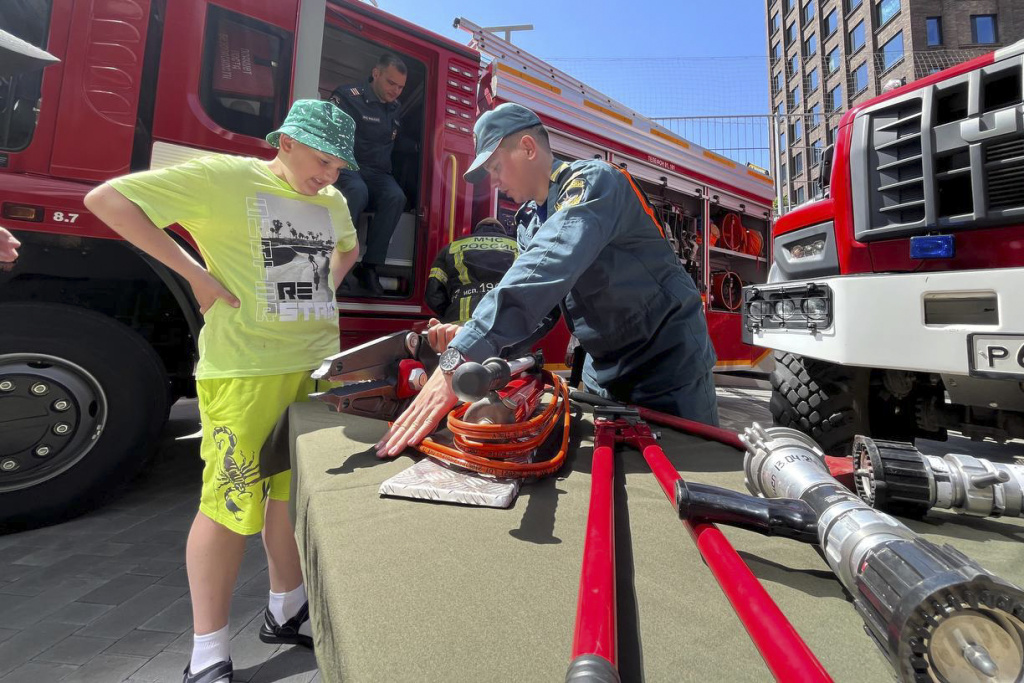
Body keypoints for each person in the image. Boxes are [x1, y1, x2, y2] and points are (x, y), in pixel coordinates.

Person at [84, 100, 360, 683]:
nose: (330, 175)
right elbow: (108, 200)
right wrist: (197, 276)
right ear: (286, 142)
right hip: (244, 369)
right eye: (322, 160)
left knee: (289, 494)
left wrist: (322, 291)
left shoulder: (332, 201)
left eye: (339, 166)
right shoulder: (225, 178)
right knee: (231, 503)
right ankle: (208, 651)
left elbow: (348, 249)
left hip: (314, 367)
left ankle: (286, 610)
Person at [376, 103, 719, 458]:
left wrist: (463, 353)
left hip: (667, 364)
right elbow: (541, 305)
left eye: (496, 167)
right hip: (605, 370)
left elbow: (549, 262)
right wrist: (471, 333)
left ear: (528, 147)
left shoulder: (595, 181)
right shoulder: (528, 222)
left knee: (692, 466)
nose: (494, 182)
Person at [330, 53, 410, 295]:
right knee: (357, 191)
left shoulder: (395, 108)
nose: (396, 91)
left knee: (396, 196)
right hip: (348, 164)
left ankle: (370, 268)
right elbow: (332, 137)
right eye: (391, 83)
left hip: (378, 172)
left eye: (401, 87)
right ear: (376, 74)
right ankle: (338, 263)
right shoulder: (347, 96)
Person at [425, 217, 519, 324]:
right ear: (503, 233)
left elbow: (434, 293)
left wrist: (452, 310)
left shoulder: (452, 247)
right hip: (507, 323)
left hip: (459, 325)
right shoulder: (518, 246)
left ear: (476, 231)